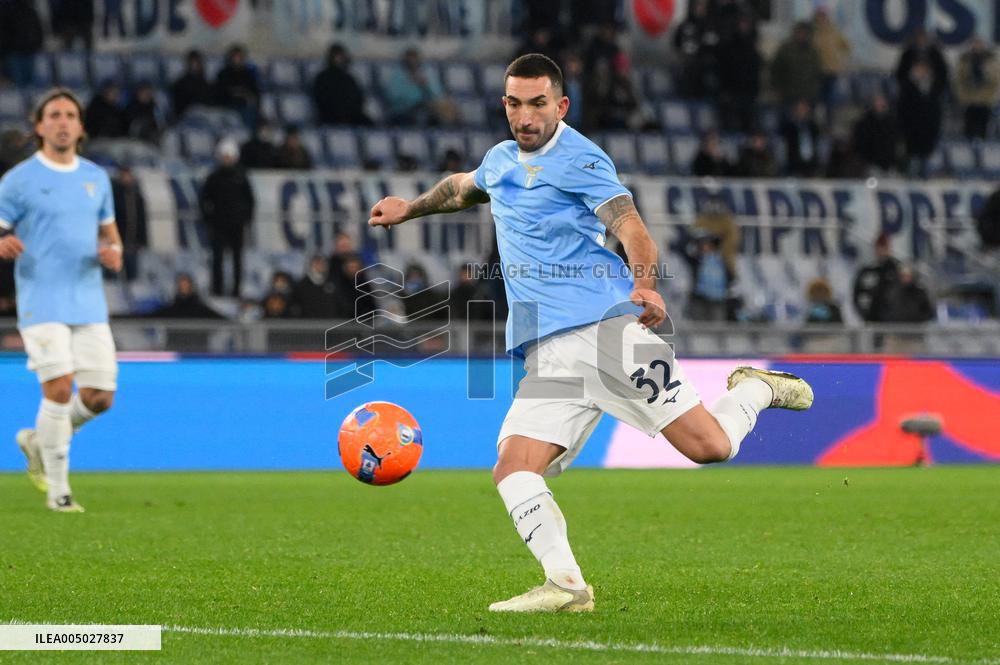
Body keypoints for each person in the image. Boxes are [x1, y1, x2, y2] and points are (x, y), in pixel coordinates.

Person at [367, 54, 814, 613]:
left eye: (537, 104)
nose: (524, 117)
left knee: (710, 447)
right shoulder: (501, 160)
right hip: (543, 349)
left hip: (604, 332)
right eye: (514, 103)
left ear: (561, 105)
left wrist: (647, 285)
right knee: (512, 467)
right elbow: (461, 189)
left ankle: (757, 388)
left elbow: (632, 229)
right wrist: (408, 208)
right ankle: (568, 587)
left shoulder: (581, 159)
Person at [0, 89, 125, 513]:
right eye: (54, 114)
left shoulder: (96, 178)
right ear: (39, 126)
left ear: (81, 126)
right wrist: (2, 241)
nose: (63, 121)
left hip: (88, 299)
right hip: (40, 298)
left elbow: (112, 237)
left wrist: (114, 254)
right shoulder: (18, 180)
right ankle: (59, 493)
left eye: (70, 115)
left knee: (100, 397)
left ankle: (39, 439)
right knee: (58, 387)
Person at [199, 139, 255, 296]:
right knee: (217, 259)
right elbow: (204, 199)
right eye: (224, 156)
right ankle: (217, 290)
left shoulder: (241, 176)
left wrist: (245, 219)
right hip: (218, 224)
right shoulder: (214, 177)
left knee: (237, 259)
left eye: (229, 156)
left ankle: (236, 290)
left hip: (236, 225)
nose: (227, 159)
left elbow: (250, 201)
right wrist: (208, 219)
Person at [312, 43, 372, 127]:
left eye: (342, 56)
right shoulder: (322, 78)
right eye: (339, 56)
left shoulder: (349, 78)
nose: (342, 59)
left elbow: (359, 98)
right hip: (330, 117)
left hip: (352, 116)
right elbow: (321, 101)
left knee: (369, 124)